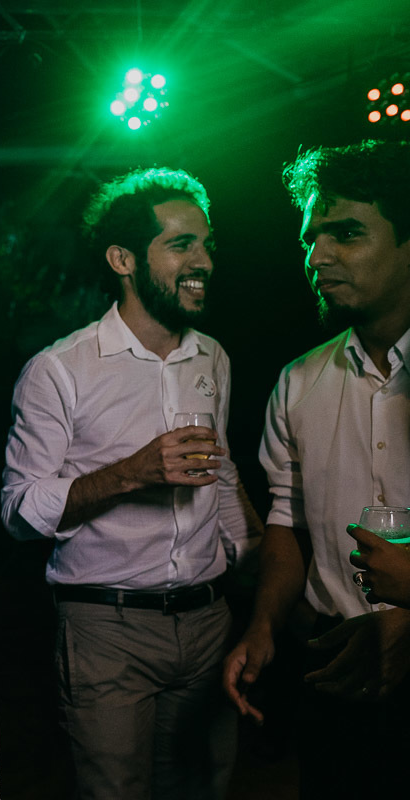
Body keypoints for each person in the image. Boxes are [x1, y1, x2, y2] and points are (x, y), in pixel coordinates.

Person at [1, 167, 258, 799]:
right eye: (180, 245)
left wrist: (248, 561)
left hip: (208, 623)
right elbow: (17, 510)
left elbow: (220, 469)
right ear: (123, 259)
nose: (203, 261)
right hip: (106, 628)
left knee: (204, 786)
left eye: (205, 244)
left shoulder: (214, 357)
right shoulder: (60, 370)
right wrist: (129, 474)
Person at [222, 139, 410, 798]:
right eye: (310, 239)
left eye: (346, 234)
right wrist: (265, 627)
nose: (318, 256)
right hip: (335, 675)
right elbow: (287, 524)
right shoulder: (300, 382)